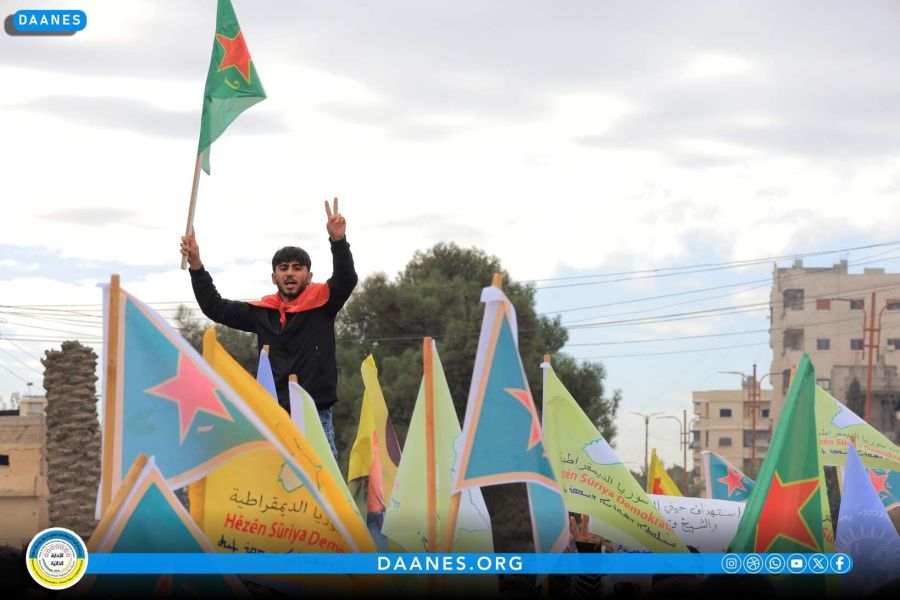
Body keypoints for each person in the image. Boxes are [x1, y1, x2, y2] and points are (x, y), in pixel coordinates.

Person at [180, 198, 357, 460]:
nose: (290, 273)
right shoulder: (262, 312)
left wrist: (338, 240)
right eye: (283, 268)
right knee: (279, 482)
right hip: (273, 416)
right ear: (274, 277)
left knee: (321, 482)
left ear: (309, 276)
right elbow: (214, 307)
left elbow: (346, 279)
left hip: (315, 415)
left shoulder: (322, 304)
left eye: (297, 268)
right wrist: (196, 265)